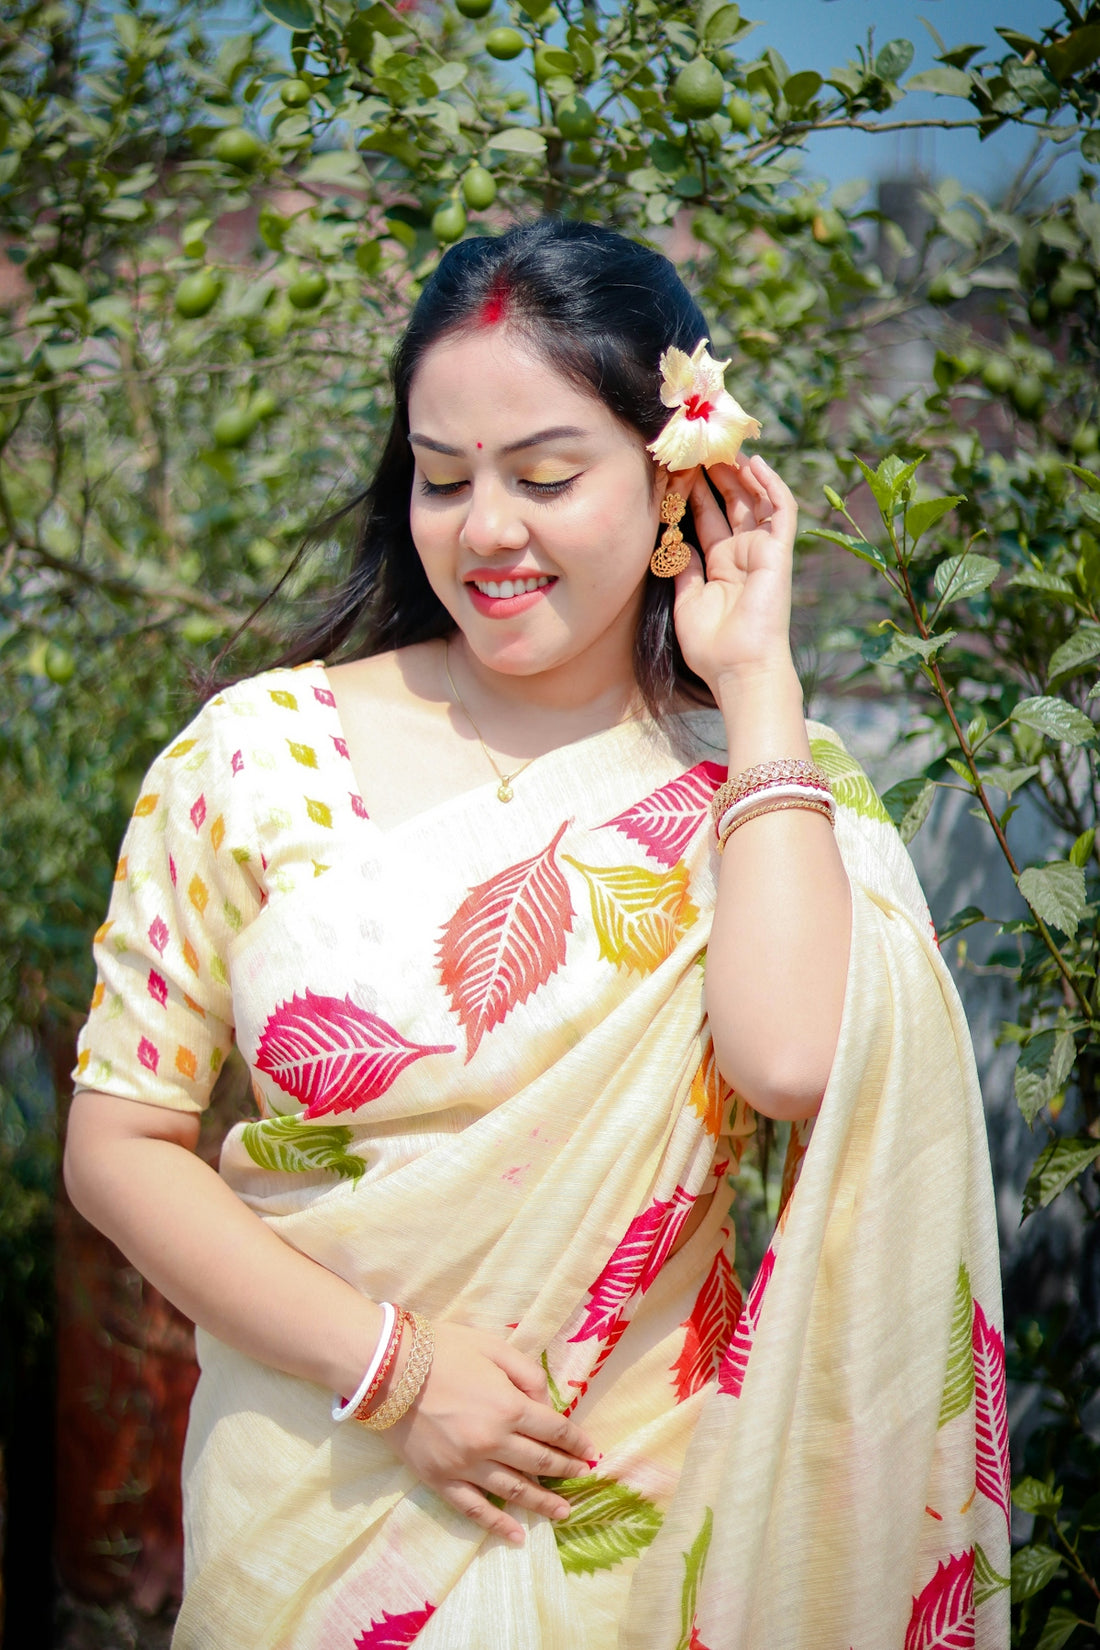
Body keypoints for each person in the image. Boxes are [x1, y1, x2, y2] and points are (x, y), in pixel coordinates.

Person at [65, 219, 1009, 1649]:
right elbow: (117, 1147)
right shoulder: (254, 758)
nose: (487, 528)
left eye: (548, 475)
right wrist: (396, 1367)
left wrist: (756, 681)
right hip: (313, 1516)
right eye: (443, 478)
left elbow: (792, 1059)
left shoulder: (757, 793)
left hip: (636, 1526)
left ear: (676, 475)